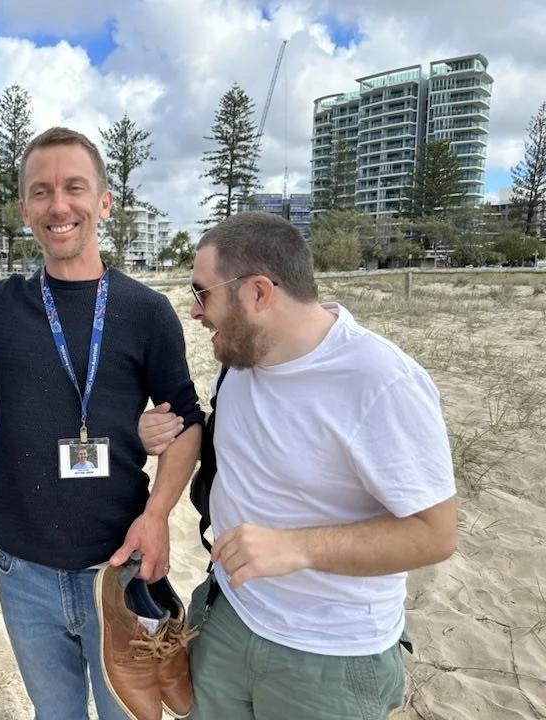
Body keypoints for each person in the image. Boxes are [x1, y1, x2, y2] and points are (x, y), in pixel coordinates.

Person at [139, 211, 458, 720]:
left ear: (260, 293)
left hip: (329, 658)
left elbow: (435, 535)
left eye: (202, 294)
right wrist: (158, 434)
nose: (194, 313)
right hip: (228, 616)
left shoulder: (380, 382)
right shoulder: (240, 361)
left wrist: (298, 548)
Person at [0, 126, 204, 720]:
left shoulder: (145, 311)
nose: (59, 205)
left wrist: (158, 513)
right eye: (41, 191)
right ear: (26, 209)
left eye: (75, 188)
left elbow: (188, 421)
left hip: (118, 569)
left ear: (105, 202)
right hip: (22, 570)